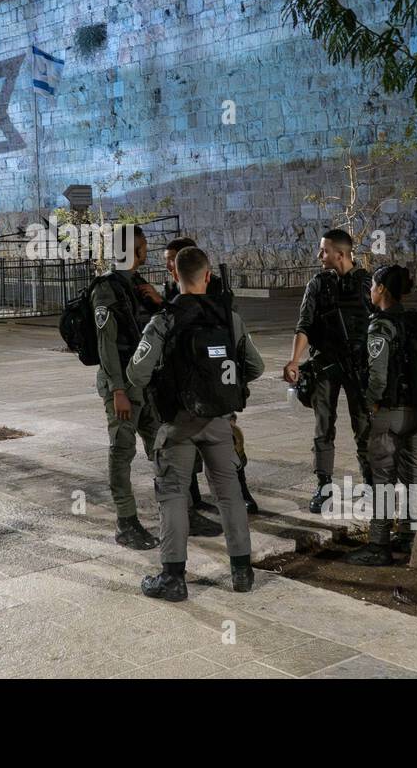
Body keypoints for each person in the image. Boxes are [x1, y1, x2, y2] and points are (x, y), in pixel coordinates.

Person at [126, 247, 266, 601]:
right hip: (218, 419)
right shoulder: (228, 317)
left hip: (178, 423)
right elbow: (256, 367)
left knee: (172, 495)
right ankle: (242, 573)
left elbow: (137, 372)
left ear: (175, 275)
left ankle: (173, 578)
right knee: (229, 494)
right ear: (207, 276)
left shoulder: (164, 320)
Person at [138, 237, 260, 518]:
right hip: (185, 385)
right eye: (167, 258)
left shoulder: (215, 290)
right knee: (185, 449)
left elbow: (229, 334)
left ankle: (241, 492)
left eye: (173, 258)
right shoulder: (171, 288)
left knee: (229, 444)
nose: (168, 264)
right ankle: (193, 499)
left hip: (215, 379)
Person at [345, 265, 417, 566]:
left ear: (381, 289)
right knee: (412, 474)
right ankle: (411, 534)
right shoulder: (415, 320)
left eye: (372, 285)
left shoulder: (380, 326)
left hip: (392, 411)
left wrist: (370, 405)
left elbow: (379, 378)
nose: (369, 291)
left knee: (382, 479)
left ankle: (378, 544)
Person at [282, 229, 373, 512]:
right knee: (323, 427)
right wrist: (294, 360)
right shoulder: (319, 283)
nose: (319, 255)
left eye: (324, 251)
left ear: (341, 254)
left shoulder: (368, 283)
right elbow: (304, 324)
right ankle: (324, 486)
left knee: (364, 427)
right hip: (325, 364)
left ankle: (371, 485)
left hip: (359, 367)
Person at [92, 225, 162, 549]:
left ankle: (174, 509)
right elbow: (106, 345)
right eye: (143, 246)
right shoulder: (106, 290)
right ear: (134, 250)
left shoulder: (137, 285)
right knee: (121, 452)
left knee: (161, 445)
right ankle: (126, 523)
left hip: (145, 383)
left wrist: (160, 301)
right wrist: (118, 390)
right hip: (122, 385)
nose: (146, 251)